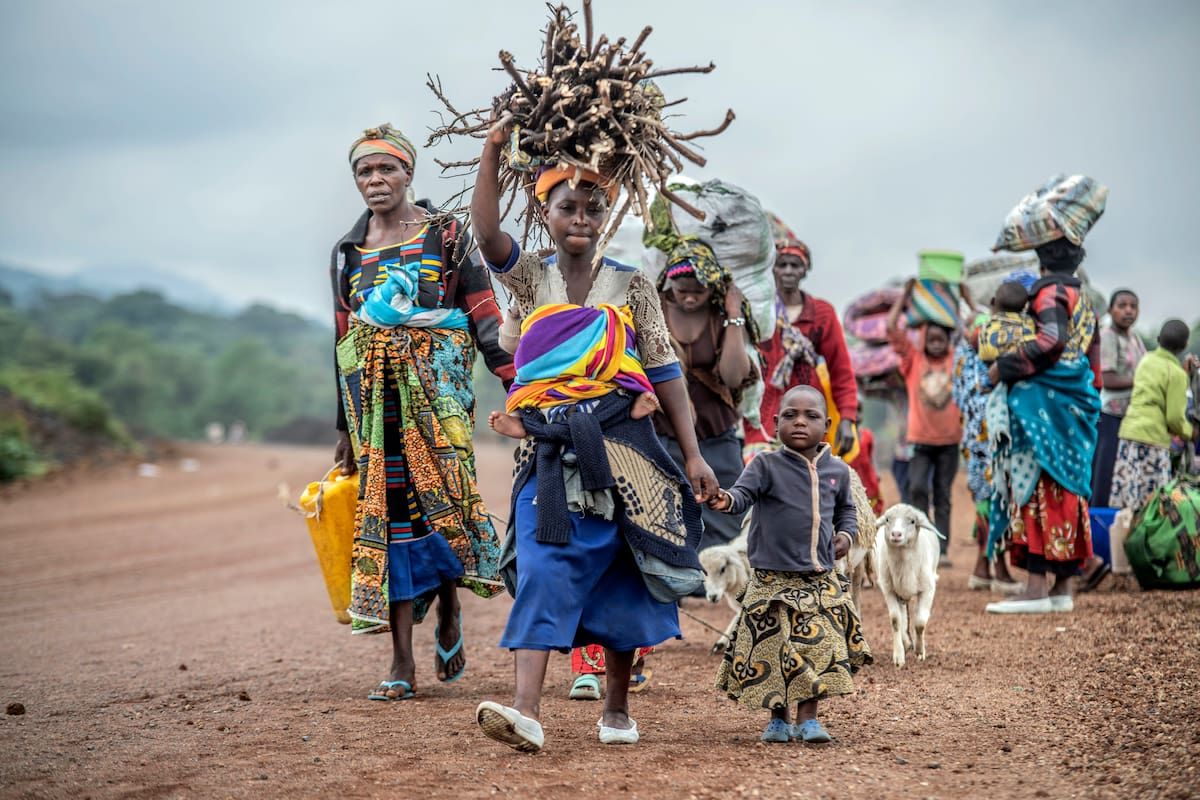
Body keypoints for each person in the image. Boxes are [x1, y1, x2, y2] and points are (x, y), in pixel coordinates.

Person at [470, 124, 717, 752]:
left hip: (623, 448)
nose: (581, 218)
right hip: (549, 452)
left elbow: (664, 372)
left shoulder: (632, 285)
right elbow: (487, 236)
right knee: (541, 564)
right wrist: (493, 149)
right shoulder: (529, 278)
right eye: (567, 207)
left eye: (593, 208)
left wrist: (692, 455)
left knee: (622, 569)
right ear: (546, 214)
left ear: (607, 217)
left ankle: (616, 709)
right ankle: (525, 712)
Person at [330, 124, 515, 699]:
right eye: (364, 171)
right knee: (391, 518)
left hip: (440, 400)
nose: (375, 180)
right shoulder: (348, 252)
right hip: (375, 407)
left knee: (444, 505)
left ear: (408, 173)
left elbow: (484, 313)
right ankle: (401, 661)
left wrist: (518, 388)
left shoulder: (447, 233)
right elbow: (343, 339)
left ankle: (451, 608)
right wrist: (345, 428)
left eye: (386, 168)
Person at [710, 385, 871, 744]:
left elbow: (846, 510)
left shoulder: (837, 471)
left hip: (818, 580)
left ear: (826, 426)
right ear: (775, 422)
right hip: (772, 582)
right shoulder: (765, 465)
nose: (800, 422)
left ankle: (809, 719)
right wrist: (725, 500)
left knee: (817, 649)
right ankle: (778, 720)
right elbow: (742, 495)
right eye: (790, 415)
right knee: (774, 649)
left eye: (811, 416)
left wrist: (846, 536)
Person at [984, 238, 1101, 614]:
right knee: (1067, 490)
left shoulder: (1050, 292)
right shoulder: (1085, 299)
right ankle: (1062, 587)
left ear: (1041, 260)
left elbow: (1051, 342)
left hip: (1044, 404)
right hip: (1075, 402)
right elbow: (1092, 360)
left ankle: (1036, 588)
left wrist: (1003, 368)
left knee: (1037, 483)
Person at [744, 238, 858, 461]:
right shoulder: (758, 310)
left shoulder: (821, 314)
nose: (788, 271)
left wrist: (847, 419)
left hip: (808, 416)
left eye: (795, 265)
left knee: (806, 475)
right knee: (759, 471)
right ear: (773, 269)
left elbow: (841, 371)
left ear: (805, 270)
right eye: (782, 264)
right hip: (762, 416)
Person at [887, 279, 963, 566]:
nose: (936, 344)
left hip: (950, 441)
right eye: (931, 339)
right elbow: (892, 328)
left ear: (948, 340)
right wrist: (905, 296)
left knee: (943, 495)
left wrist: (962, 300)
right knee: (917, 489)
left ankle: (941, 550)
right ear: (923, 339)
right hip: (919, 440)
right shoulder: (913, 359)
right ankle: (920, 543)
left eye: (941, 339)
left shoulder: (956, 360)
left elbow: (970, 336)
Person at [953, 311, 1021, 593]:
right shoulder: (973, 363)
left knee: (991, 502)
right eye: (978, 331)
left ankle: (983, 568)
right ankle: (998, 569)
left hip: (980, 443)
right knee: (993, 502)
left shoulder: (967, 359)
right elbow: (978, 401)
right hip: (984, 445)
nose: (982, 337)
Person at [1110, 319, 1198, 511]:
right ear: (1185, 345)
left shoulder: (1146, 360)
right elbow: (1174, 418)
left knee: (1129, 501)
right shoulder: (1176, 374)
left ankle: (1122, 531)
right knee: (1153, 505)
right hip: (1152, 441)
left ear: (1158, 339)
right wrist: (1190, 432)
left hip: (1128, 435)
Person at [1091, 289, 1145, 507]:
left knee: (1122, 476)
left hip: (1130, 417)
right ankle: (1098, 522)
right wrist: (1144, 381)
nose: (1128, 311)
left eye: (1133, 306)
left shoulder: (1134, 338)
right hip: (1109, 416)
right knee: (1104, 475)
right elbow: (1108, 379)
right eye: (1122, 306)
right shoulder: (1107, 336)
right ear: (1110, 310)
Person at [977, 281, 1035, 362]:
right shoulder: (1030, 321)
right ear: (1025, 306)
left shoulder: (985, 327)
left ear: (992, 301)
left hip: (992, 365)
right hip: (1024, 362)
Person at [848, 397, 884, 515]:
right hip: (851, 481)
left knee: (872, 510)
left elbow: (871, 456)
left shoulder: (867, 435)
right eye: (852, 410)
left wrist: (877, 472)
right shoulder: (842, 438)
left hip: (868, 479)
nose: (856, 415)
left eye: (859, 410)